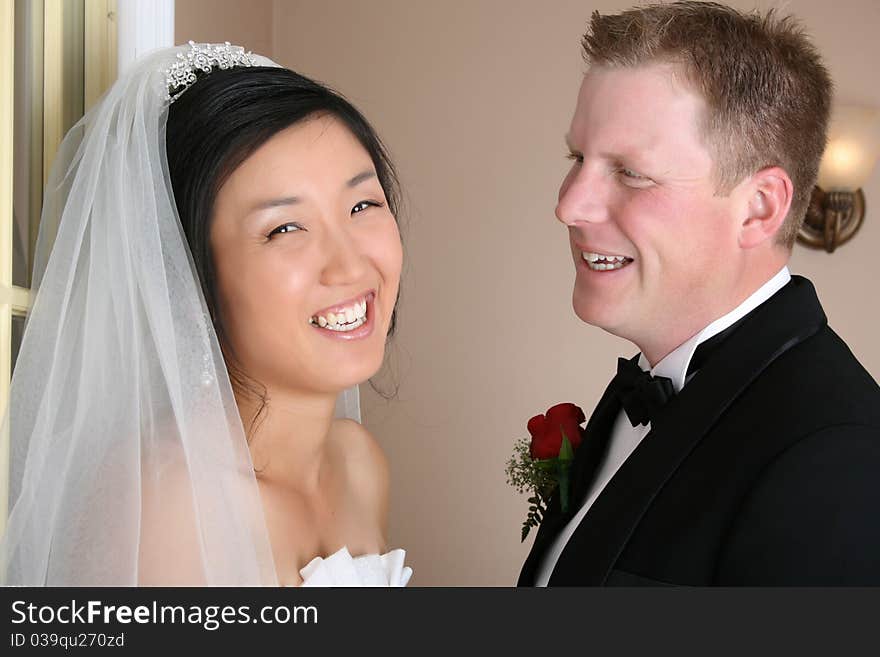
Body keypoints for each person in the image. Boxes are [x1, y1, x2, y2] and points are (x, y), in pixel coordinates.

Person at [0, 42, 410, 586]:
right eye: (285, 228)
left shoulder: (359, 466)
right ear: (189, 271)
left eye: (362, 206)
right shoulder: (172, 509)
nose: (350, 263)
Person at [519, 1, 880, 586]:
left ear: (759, 208)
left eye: (631, 172)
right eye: (578, 158)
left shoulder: (840, 459)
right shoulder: (641, 389)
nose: (568, 205)